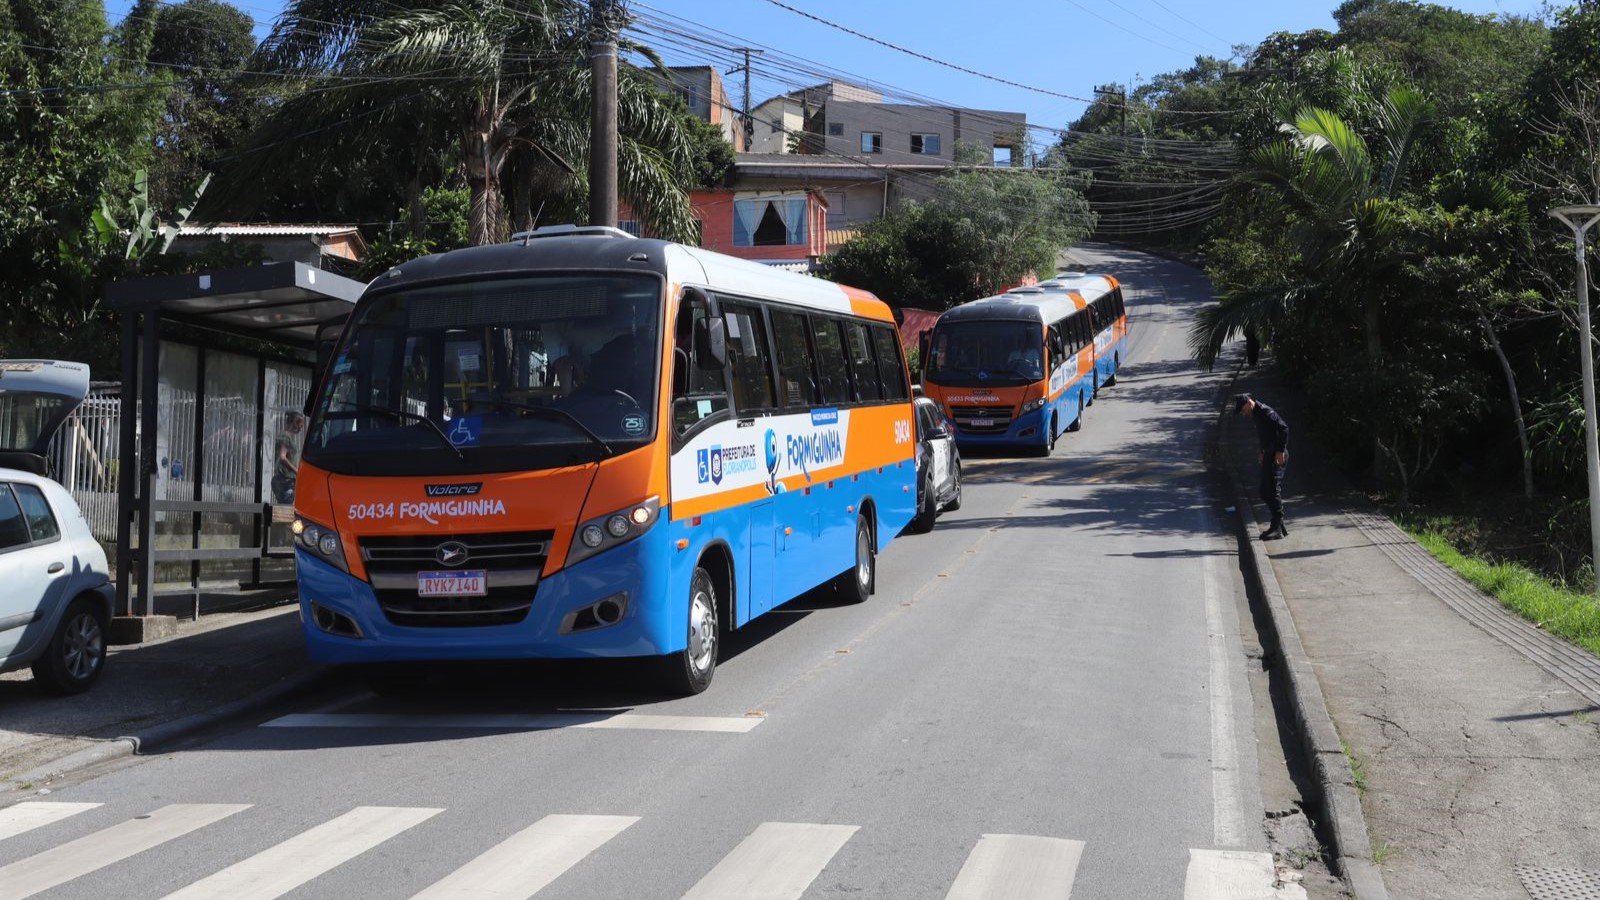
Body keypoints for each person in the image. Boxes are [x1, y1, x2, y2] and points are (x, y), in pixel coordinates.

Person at [1234, 393, 1289, 540]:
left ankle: (1276, 526)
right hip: (1268, 454)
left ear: (1248, 403)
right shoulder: (1257, 414)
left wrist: (1280, 450)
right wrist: (1263, 451)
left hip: (1276, 456)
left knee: (1273, 490)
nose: (1243, 414)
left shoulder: (1265, 411)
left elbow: (1283, 428)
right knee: (1264, 492)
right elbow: (1268, 435)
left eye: (1242, 410)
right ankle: (1278, 522)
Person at [271, 411, 305, 504]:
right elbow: (283, 457)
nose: (301, 429)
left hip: (287, 481)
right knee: (285, 511)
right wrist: (296, 471)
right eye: (300, 426)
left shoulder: (288, 437)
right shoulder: (285, 437)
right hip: (284, 481)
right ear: (294, 423)